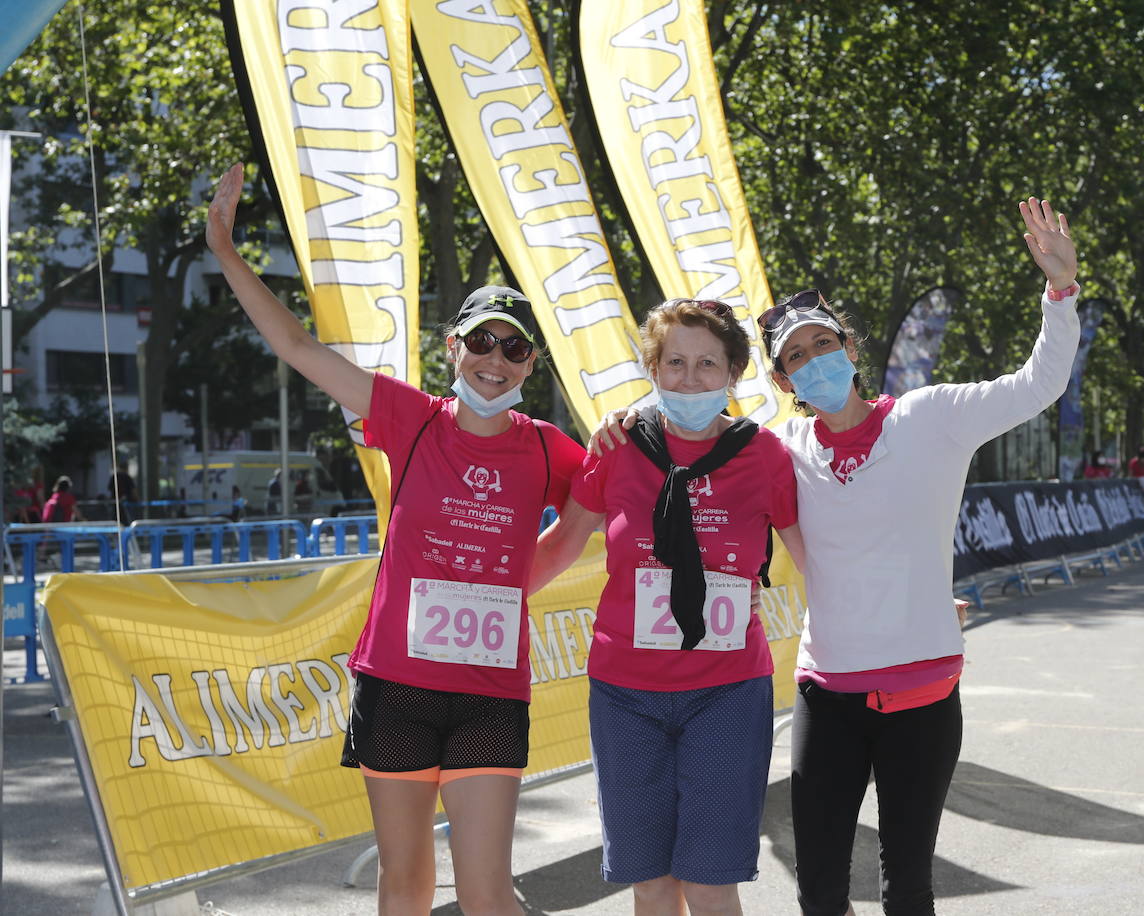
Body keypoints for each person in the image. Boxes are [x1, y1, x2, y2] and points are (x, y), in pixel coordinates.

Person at [594, 196, 1078, 915]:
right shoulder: (777, 451)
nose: (813, 361)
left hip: (922, 691)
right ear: (783, 383)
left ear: (850, 350)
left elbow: (1039, 384)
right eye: (795, 357)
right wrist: (628, 417)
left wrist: (1061, 291)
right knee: (819, 891)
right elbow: (696, 435)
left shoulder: (929, 417)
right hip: (829, 689)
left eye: (824, 344)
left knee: (906, 887)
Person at [207, 162, 585, 916]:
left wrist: (511, 586)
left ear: (532, 363)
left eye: (514, 349)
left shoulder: (549, 448)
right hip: (398, 687)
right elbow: (299, 349)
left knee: (485, 896)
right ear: (454, 347)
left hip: (489, 694)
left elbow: (584, 526)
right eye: (483, 341)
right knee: (405, 885)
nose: (496, 360)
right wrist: (224, 250)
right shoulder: (410, 418)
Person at [531, 299, 805, 915]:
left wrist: (909, 608)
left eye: (708, 363)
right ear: (652, 369)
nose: (689, 378)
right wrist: (456, 587)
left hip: (728, 692)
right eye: (674, 362)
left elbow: (820, 562)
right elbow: (559, 547)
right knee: (652, 882)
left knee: (709, 880)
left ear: (734, 374)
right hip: (625, 694)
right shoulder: (618, 447)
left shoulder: (762, 455)